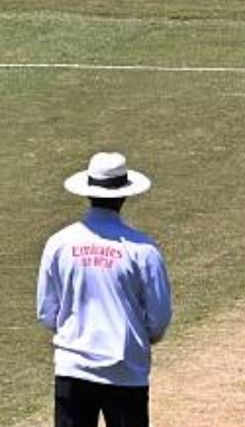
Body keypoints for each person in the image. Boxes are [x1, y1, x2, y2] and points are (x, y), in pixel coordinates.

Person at [37, 152, 173, 427]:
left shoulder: (59, 243)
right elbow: (158, 319)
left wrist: (76, 335)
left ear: (88, 193)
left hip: (73, 367)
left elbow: (46, 311)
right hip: (125, 370)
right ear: (124, 196)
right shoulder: (142, 249)